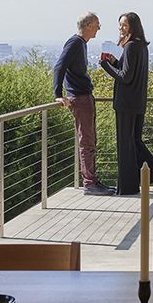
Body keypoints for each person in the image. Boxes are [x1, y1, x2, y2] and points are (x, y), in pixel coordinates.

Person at [100, 11, 153, 196]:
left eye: (124, 25)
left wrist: (106, 66)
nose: (121, 29)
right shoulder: (141, 46)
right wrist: (115, 62)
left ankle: (128, 187)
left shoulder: (130, 46)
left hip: (126, 103)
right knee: (134, 142)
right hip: (137, 102)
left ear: (133, 27)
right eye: (120, 25)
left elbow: (125, 77)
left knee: (125, 145)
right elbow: (128, 71)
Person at [54, 11, 111, 196]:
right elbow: (59, 66)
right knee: (87, 142)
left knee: (91, 141)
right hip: (80, 99)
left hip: (85, 97)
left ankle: (92, 181)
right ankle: (90, 183)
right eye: (97, 25)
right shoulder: (75, 43)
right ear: (88, 25)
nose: (98, 29)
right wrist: (58, 94)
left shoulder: (81, 44)